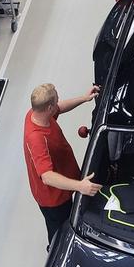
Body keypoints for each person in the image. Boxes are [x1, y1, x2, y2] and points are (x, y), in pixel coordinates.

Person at [24, 82, 103, 245]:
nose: (59, 102)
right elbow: (47, 177)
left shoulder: (37, 113)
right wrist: (80, 186)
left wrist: (84, 98)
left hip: (65, 176)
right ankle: (54, 250)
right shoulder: (37, 138)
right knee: (59, 230)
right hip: (53, 197)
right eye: (56, 101)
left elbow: (60, 107)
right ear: (48, 108)